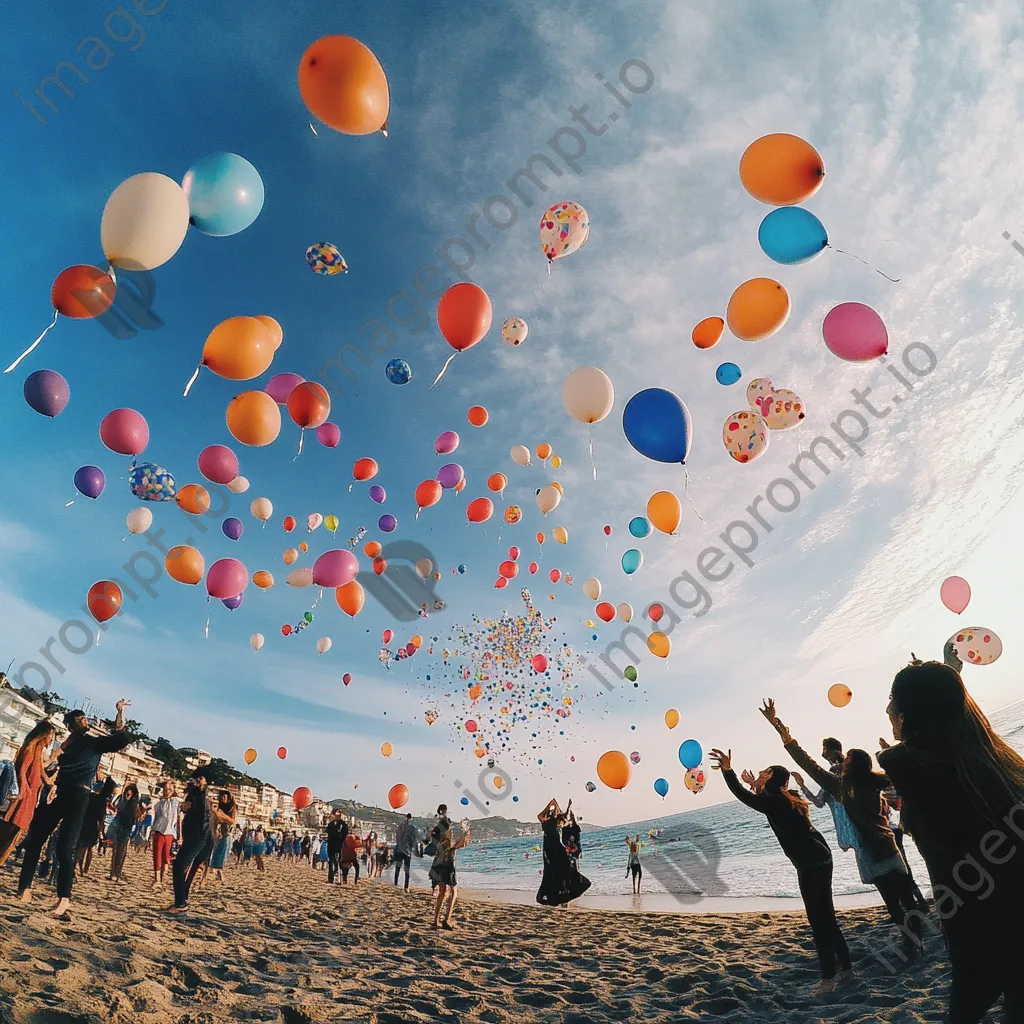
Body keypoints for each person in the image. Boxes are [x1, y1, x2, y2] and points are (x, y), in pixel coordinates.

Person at [878, 656, 1024, 1023]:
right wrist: (944, 677)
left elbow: (901, 755)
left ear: (910, 711)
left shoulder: (910, 767)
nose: (888, 708)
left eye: (893, 700)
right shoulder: (988, 762)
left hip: (979, 923)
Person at [761, 699, 924, 959]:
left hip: (878, 849)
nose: (842, 760)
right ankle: (913, 939)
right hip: (879, 849)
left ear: (855, 765)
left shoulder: (859, 785)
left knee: (899, 902)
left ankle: (912, 940)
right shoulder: (845, 785)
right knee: (901, 901)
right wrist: (783, 732)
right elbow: (809, 764)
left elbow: (905, 779)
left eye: (847, 759)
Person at [709, 747, 852, 994]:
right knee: (826, 916)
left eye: (764, 773)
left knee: (818, 921)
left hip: (810, 864)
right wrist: (758, 783)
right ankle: (847, 969)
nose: (760, 774)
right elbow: (763, 795)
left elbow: (743, 796)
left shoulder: (772, 802)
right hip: (821, 857)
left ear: (771, 779)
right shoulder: (789, 796)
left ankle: (828, 979)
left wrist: (728, 771)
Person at [17, 699, 132, 917]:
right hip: (61, 793)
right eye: (80, 719)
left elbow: (122, 738)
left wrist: (119, 713)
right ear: (70, 725)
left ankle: (63, 900)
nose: (85, 720)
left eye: (85, 718)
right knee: (35, 839)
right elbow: (52, 766)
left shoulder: (94, 743)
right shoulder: (67, 746)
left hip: (80, 795)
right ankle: (24, 889)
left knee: (64, 848)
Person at [0, 720, 56, 867]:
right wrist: (25, 789)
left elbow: (41, 772)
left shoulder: (38, 751)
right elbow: (22, 771)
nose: (51, 739)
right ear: (44, 734)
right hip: (24, 798)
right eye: (51, 735)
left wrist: (50, 783)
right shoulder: (31, 748)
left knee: (14, 834)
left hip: (29, 798)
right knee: (9, 832)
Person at [536, 799, 591, 906]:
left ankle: (562, 896)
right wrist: (553, 805)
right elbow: (543, 815)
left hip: (552, 849)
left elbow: (565, 817)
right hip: (554, 849)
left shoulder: (551, 822)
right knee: (559, 872)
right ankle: (562, 897)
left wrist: (559, 806)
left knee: (558, 872)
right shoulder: (551, 823)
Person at [170, 769, 211, 913]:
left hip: (199, 837)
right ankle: (181, 901)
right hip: (194, 836)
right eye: (197, 778)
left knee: (180, 866)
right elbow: (188, 808)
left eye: (201, 778)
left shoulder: (201, 795)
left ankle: (181, 903)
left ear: (206, 781)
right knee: (181, 867)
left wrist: (187, 804)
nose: (198, 780)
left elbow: (197, 812)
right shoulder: (195, 793)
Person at [430, 817, 471, 930]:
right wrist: (466, 835)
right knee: (453, 892)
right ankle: (446, 919)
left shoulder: (438, 838)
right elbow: (456, 845)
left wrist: (464, 838)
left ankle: (436, 920)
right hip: (447, 866)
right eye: (451, 828)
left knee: (442, 892)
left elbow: (458, 845)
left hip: (438, 866)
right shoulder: (446, 840)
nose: (452, 830)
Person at [75, 777, 116, 877]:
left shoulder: (92, 796)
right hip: (93, 827)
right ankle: (83, 869)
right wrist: (101, 832)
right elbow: (101, 818)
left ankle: (78, 867)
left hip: (85, 824)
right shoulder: (102, 801)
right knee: (87, 849)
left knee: (81, 848)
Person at [107, 782, 140, 882]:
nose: (127, 796)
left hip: (126, 829)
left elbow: (133, 817)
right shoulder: (122, 800)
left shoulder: (134, 804)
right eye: (126, 794)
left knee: (121, 852)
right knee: (115, 851)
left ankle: (117, 872)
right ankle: (113, 872)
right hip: (117, 827)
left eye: (129, 794)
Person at [150, 780, 180, 889]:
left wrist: (180, 836)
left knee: (166, 857)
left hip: (170, 833)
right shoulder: (158, 803)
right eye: (166, 789)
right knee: (157, 856)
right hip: (158, 831)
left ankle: (163, 879)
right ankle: (157, 879)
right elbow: (156, 818)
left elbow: (178, 819)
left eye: (170, 789)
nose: (167, 791)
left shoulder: (176, 803)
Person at [209, 790, 237, 882]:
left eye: (224, 797)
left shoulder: (231, 808)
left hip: (226, 832)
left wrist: (222, 815)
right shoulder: (217, 808)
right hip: (217, 831)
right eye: (221, 797)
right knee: (217, 851)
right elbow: (213, 819)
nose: (222, 799)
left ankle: (219, 871)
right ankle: (217, 871)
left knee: (223, 852)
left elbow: (232, 821)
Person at [393, 813, 416, 890]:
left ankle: (395, 884)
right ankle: (406, 887)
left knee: (398, 867)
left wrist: (398, 844)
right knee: (407, 869)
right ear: (411, 818)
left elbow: (397, 835)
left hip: (399, 849)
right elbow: (413, 839)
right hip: (407, 850)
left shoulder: (401, 826)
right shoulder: (412, 827)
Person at [326, 809, 347, 883]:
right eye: (336, 815)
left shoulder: (343, 824)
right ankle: (330, 878)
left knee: (338, 861)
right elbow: (328, 833)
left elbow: (345, 835)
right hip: (331, 845)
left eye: (339, 815)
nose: (337, 816)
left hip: (339, 846)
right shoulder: (331, 824)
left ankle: (339, 878)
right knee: (331, 861)